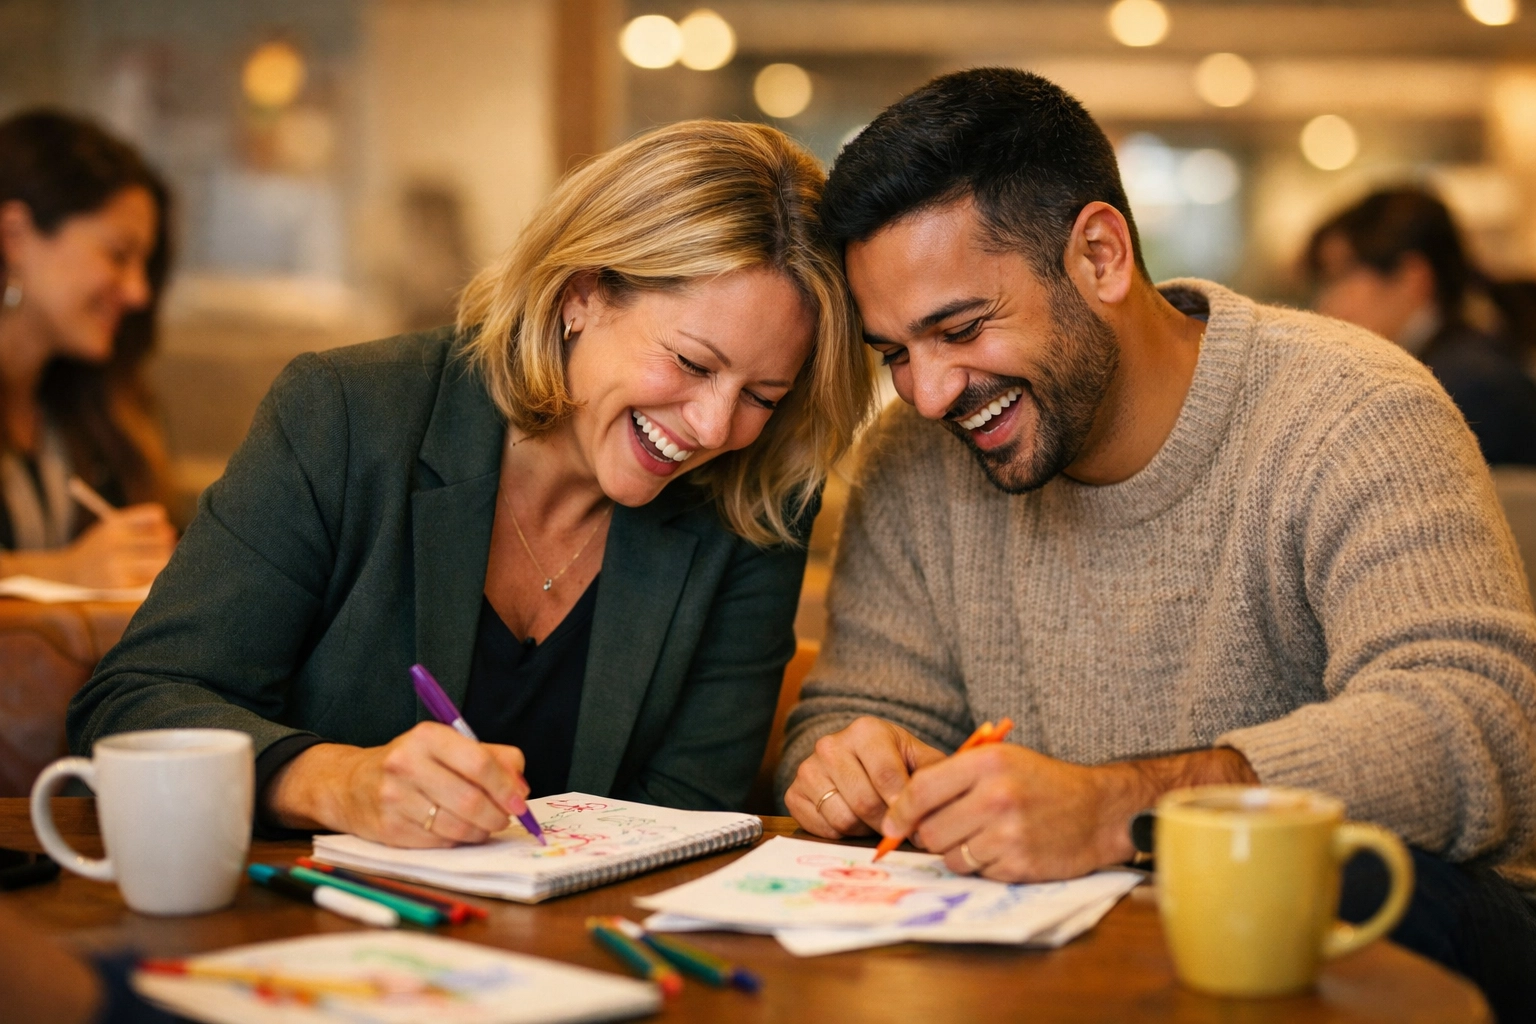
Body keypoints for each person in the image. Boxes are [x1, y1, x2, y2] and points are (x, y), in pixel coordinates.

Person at [777, 68, 1536, 1018]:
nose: (926, 394)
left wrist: (1120, 813)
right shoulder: (911, 458)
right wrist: (853, 763)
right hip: (1049, 957)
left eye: (961, 327)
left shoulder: (1354, 410)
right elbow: (853, 711)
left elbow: (1485, 724)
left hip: (1378, 940)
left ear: (1099, 254)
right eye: (893, 352)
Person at [68, 120, 873, 848]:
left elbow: (690, 813)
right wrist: (336, 783)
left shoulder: (757, 498)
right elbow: (136, 704)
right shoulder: (349, 415)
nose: (712, 427)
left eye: (762, 397)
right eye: (693, 363)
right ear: (581, 295)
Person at [0, 109, 177, 586]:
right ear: (15, 236)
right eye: (118, 255)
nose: (138, 292)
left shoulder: (86, 409)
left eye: (144, 265)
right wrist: (65, 571)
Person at [1306, 187, 1536, 466]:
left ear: (1412, 277)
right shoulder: (1455, 364)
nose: (1325, 303)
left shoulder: (1466, 385)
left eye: (1338, 278)